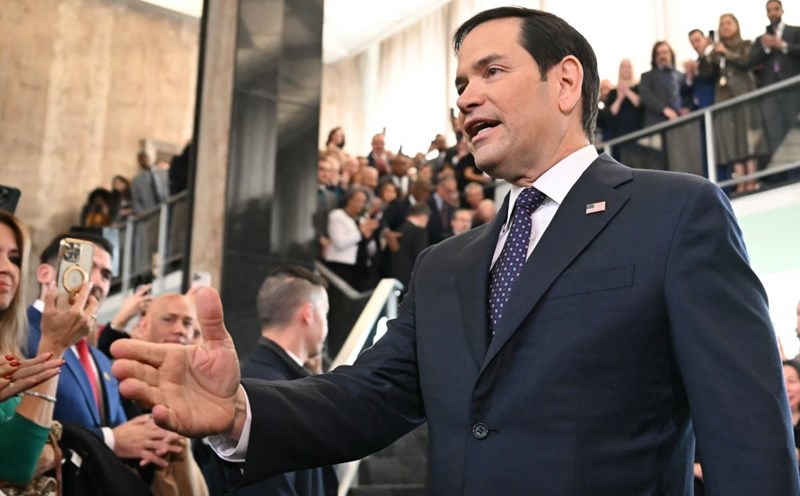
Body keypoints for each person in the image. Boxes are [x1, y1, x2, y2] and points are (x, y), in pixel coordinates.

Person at [112, 7, 800, 495]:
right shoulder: (446, 264)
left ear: (566, 83)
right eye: (459, 84)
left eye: (490, 71)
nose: (466, 97)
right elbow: (369, 397)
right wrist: (236, 412)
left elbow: (747, 434)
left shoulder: (676, 213)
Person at [28, 232, 181, 469]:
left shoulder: (100, 358)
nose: (97, 282)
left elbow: (124, 434)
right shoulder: (16, 335)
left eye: (106, 275)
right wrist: (110, 440)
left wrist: (152, 440)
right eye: (87, 267)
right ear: (46, 273)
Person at [0, 211, 96, 485]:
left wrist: (52, 452)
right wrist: (54, 345)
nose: (7, 267)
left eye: (15, 259)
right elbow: (16, 464)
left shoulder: (8, 353)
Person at [239, 266, 337, 496]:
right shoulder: (272, 392)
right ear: (308, 314)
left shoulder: (264, 380)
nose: (326, 326)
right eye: (325, 313)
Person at [708, 13, 769, 193]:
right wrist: (711, 53)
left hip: (744, 97)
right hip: (725, 101)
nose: (725, 27)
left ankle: (752, 180)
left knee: (747, 138)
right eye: (722, 24)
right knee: (731, 140)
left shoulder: (746, 45)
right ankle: (741, 182)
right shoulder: (716, 51)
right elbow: (706, 72)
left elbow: (747, 61)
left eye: (728, 23)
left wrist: (727, 53)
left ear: (736, 25)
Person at [749, 0, 800, 156]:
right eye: (769, 10)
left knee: (794, 129)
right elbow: (751, 61)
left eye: (776, 9)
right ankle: (780, 176)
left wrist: (783, 45)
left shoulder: (795, 32)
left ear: (782, 11)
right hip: (770, 91)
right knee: (774, 131)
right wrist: (765, 47)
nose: (773, 13)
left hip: (792, 89)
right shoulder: (761, 39)